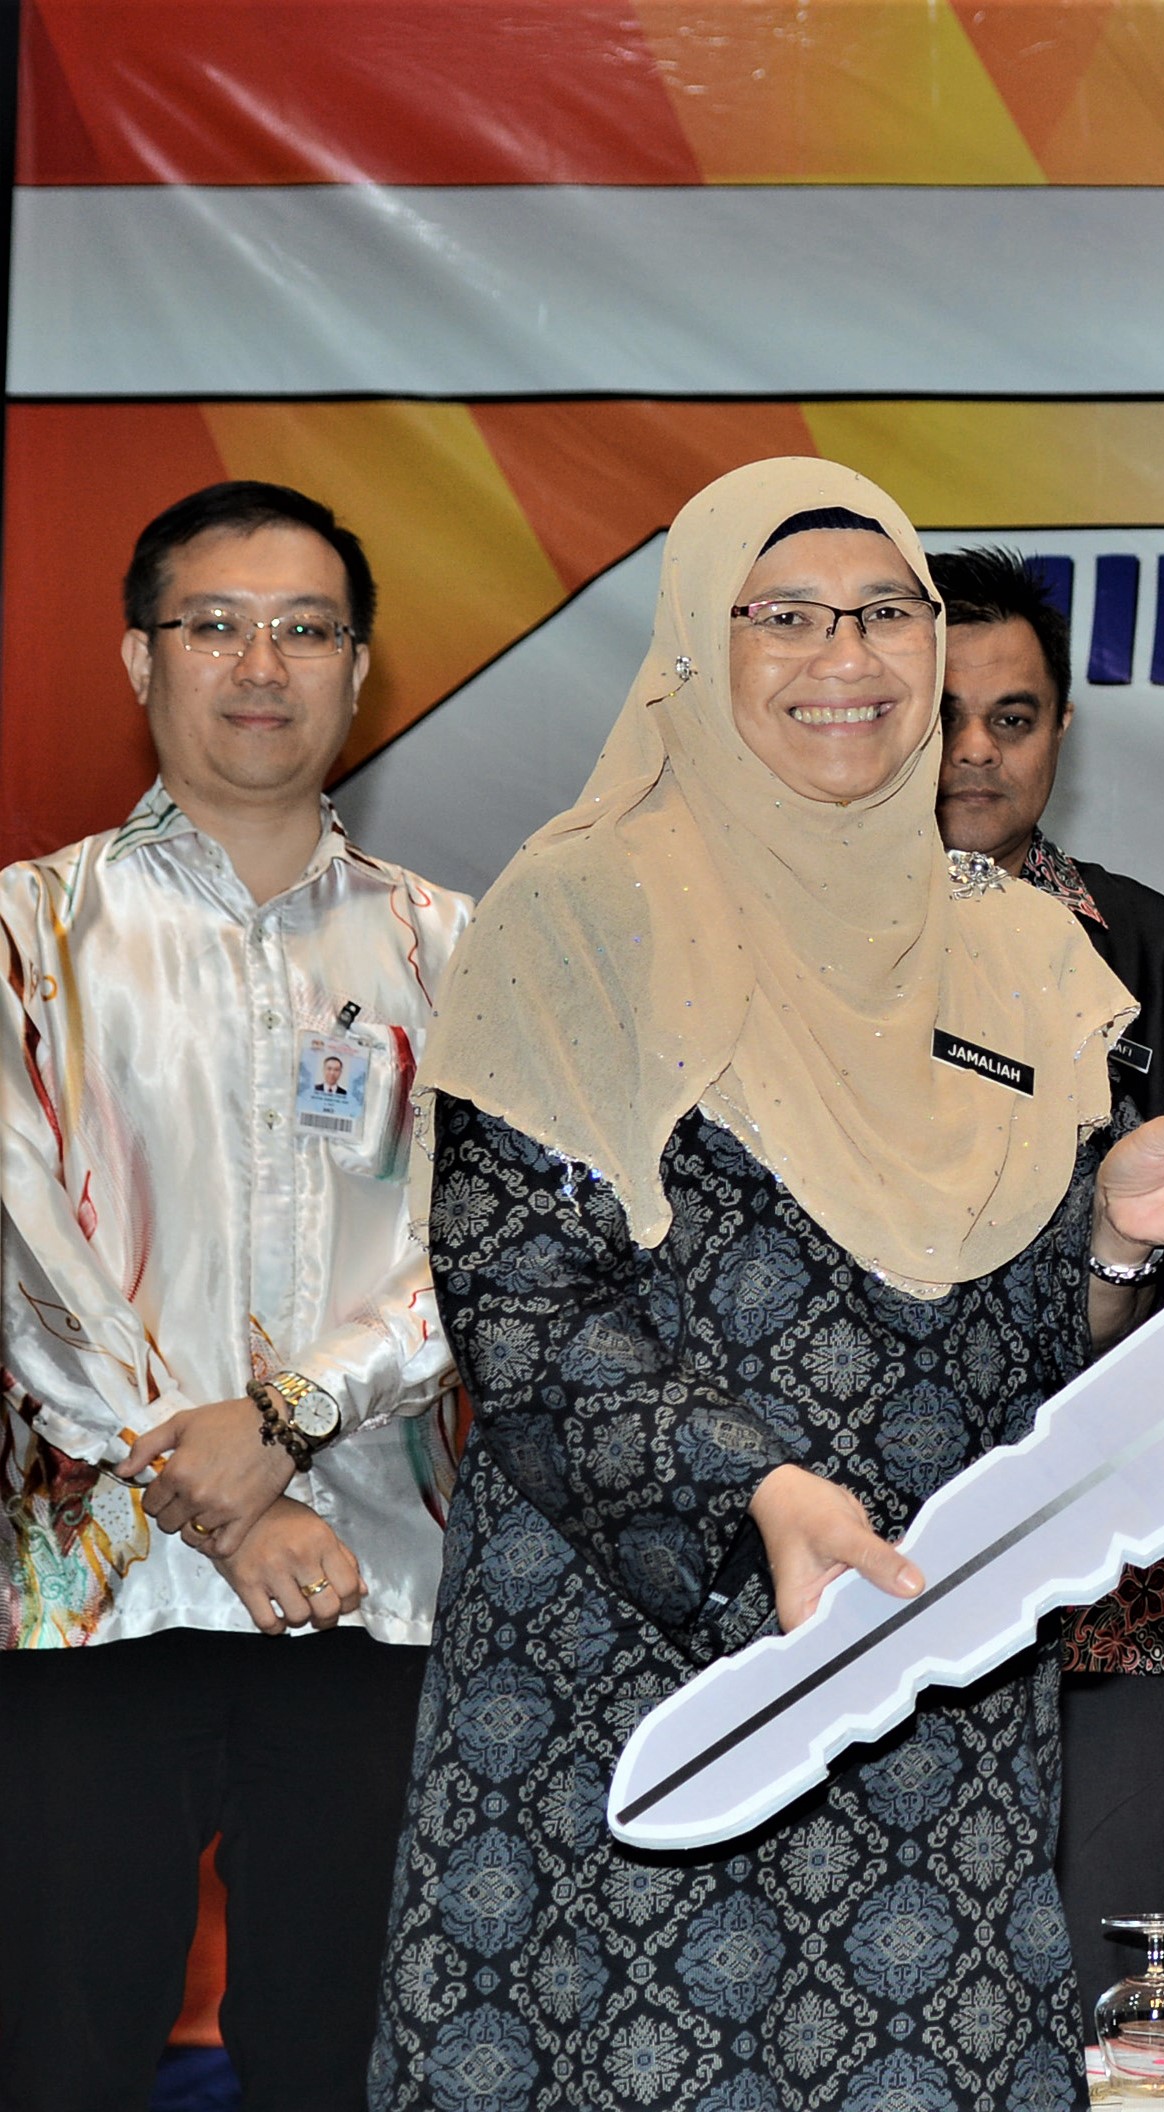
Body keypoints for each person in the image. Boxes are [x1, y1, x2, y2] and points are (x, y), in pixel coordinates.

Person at [370, 460, 1164, 2111]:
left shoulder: (1015, 950)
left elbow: (1035, 1345)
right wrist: (753, 1486)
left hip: (933, 1672)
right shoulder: (583, 911)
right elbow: (520, 1291)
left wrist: (1112, 1230)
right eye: (788, 617)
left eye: (887, 613)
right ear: (702, 645)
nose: (848, 657)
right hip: (639, 1674)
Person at [1, 481, 468, 2108]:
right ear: (141, 658)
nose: (261, 665)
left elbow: (493, 1258)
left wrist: (291, 1420)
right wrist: (226, 1494)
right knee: (55, 2055)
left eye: (305, 630)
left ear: (360, 671)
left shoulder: (456, 951)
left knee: (343, 2063)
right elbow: (20, 1244)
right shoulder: (25, 929)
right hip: (85, 1589)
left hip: (371, 1586)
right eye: (215, 625)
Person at [929, 545, 1164, 2022]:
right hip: (866, 1588)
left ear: (1062, 733)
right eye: (941, 716)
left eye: (1012, 718)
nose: (975, 751)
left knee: (1120, 2012)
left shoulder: (1150, 949)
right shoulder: (794, 961)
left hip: (1117, 1599)